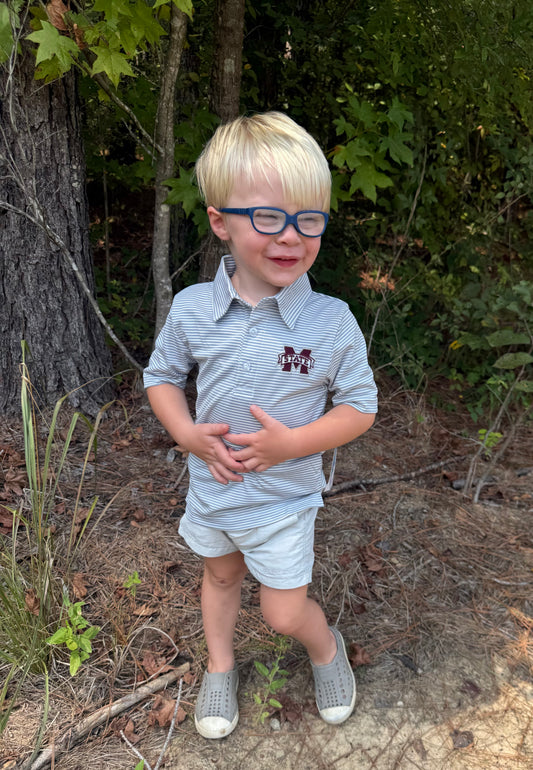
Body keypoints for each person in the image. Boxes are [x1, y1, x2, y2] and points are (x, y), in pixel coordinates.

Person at [143, 112, 377, 740]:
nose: (290, 237)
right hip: (214, 491)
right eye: (268, 217)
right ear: (220, 221)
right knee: (219, 575)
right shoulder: (194, 307)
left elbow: (361, 406)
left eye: (309, 219)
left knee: (280, 610)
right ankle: (220, 667)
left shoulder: (331, 321)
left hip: (285, 498)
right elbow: (160, 378)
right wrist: (186, 434)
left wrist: (291, 445)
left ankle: (325, 645)